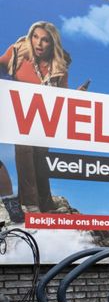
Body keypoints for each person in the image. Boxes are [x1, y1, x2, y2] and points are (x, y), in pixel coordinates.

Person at [0, 21, 72, 220]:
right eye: (35, 37)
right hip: (19, 110)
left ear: (52, 43)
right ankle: (30, 205)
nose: (39, 43)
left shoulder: (59, 66)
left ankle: (45, 202)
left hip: (43, 116)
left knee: (41, 157)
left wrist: (78, 97)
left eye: (45, 40)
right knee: (24, 152)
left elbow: (64, 95)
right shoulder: (17, 52)